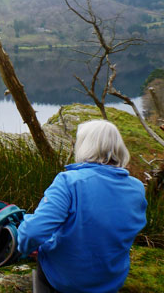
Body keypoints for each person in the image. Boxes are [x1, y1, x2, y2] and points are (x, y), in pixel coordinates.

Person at [17, 120, 147, 293]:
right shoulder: (137, 187)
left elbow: (32, 233)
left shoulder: (68, 182)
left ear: (84, 146)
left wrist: (28, 248)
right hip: (112, 279)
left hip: (68, 281)